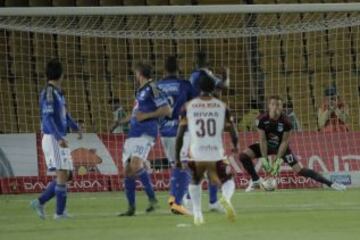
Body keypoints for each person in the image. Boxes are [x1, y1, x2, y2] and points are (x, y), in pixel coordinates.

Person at [239, 95, 346, 192]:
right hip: (265, 145)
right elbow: (262, 140)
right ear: (269, 106)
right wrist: (265, 160)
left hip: (281, 147)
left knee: (299, 170)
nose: (276, 107)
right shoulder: (261, 119)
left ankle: (331, 184)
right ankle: (256, 180)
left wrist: (277, 162)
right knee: (243, 156)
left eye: (278, 105)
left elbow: (285, 142)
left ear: (282, 107)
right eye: (273, 104)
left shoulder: (286, 122)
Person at [175, 73, 238, 225]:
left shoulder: (188, 106)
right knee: (228, 179)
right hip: (215, 153)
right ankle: (226, 199)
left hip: (196, 153)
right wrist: (235, 144)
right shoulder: (222, 107)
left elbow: (180, 135)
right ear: (213, 88)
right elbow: (232, 130)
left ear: (198, 88)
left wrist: (177, 157)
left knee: (196, 180)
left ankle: (197, 213)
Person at [31, 59, 82, 220]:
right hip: (53, 137)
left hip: (59, 136)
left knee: (67, 175)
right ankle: (59, 213)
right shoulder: (48, 92)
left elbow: (64, 114)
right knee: (62, 174)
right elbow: (47, 118)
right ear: (61, 74)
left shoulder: (58, 92)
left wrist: (75, 126)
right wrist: (59, 137)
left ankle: (40, 202)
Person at [119, 62, 172, 216]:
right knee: (128, 170)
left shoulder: (153, 88)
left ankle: (152, 200)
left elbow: (167, 110)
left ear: (140, 74)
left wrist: (146, 116)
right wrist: (122, 121)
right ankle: (132, 208)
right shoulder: (140, 91)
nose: (135, 76)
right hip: (133, 133)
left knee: (135, 165)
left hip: (146, 133)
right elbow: (137, 112)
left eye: (136, 73)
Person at [187, 51, 230, 212]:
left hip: (196, 121)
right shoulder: (207, 75)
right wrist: (226, 76)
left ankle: (190, 200)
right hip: (209, 117)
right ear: (207, 62)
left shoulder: (192, 77)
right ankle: (211, 202)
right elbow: (223, 87)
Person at [156, 56, 195, 215]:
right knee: (186, 165)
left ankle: (173, 198)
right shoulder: (185, 85)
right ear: (179, 68)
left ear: (164, 69)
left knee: (176, 166)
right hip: (182, 131)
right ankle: (181, 201)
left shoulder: (157, 86)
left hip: (165, 132)